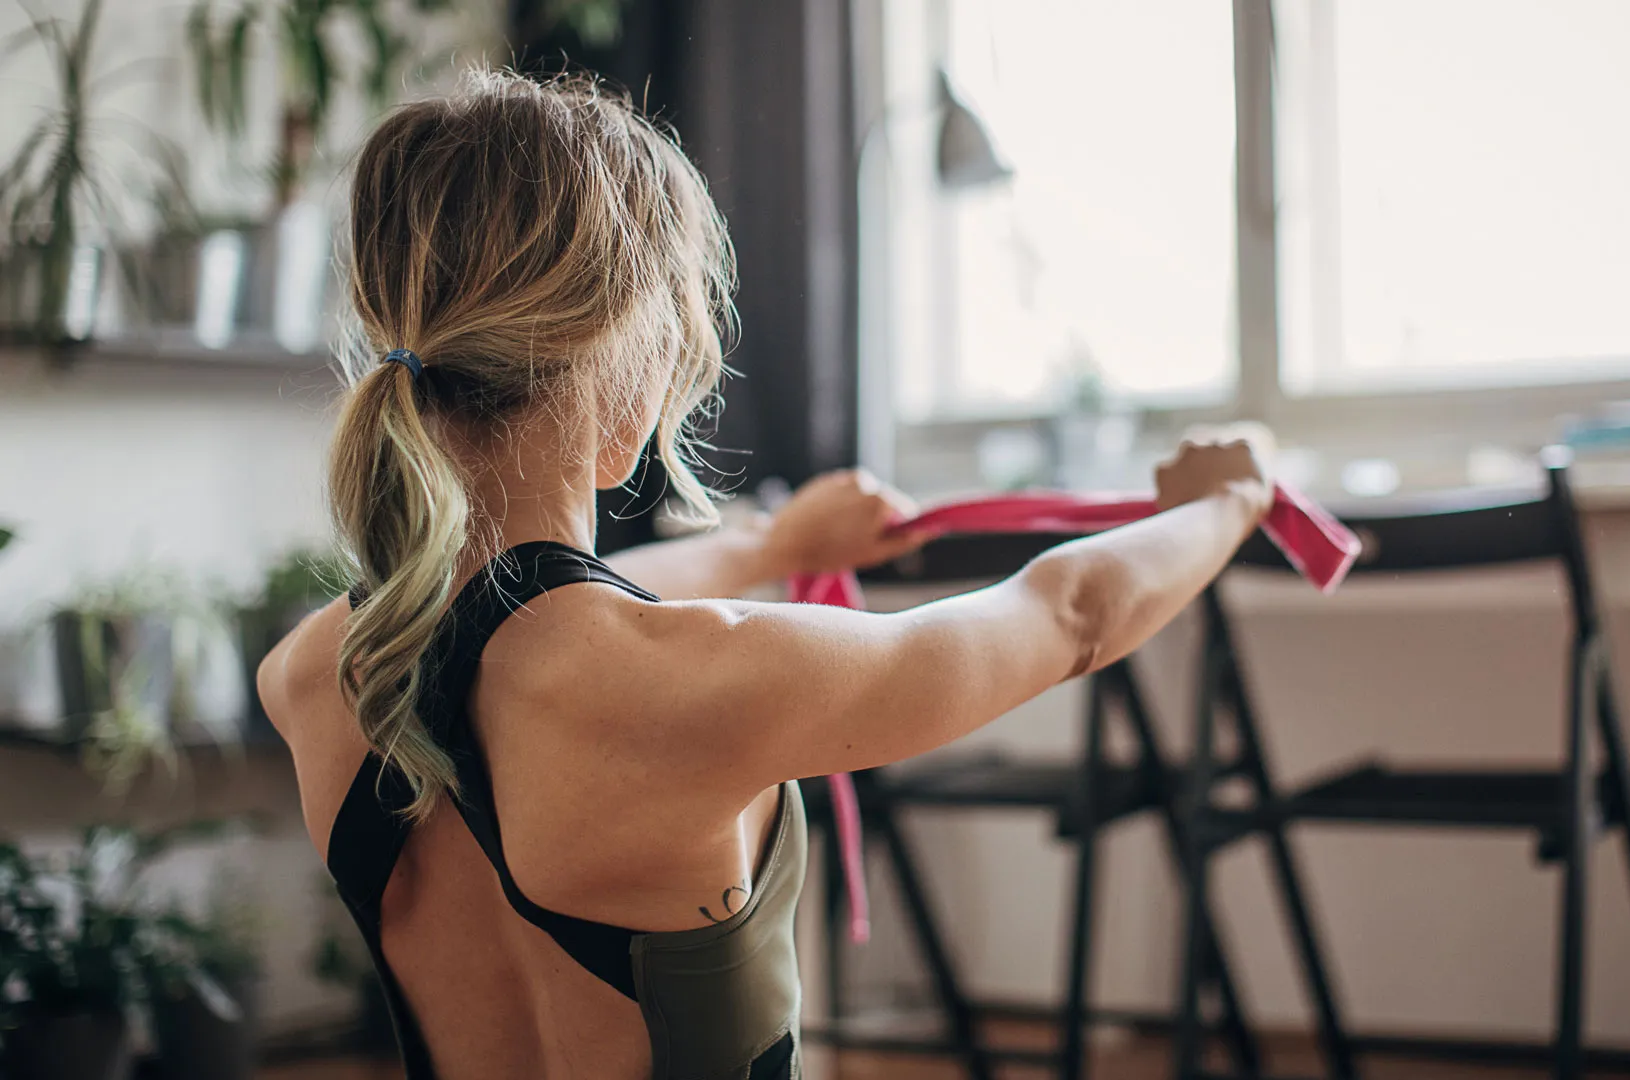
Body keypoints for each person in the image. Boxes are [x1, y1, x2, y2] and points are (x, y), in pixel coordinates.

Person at [260, 70, 1276, 1080]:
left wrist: (772, 546)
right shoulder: (699, 680)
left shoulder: (313, 677)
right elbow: (1072, 613)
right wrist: (1227, 504)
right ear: (621, 362)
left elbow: (516, 611)